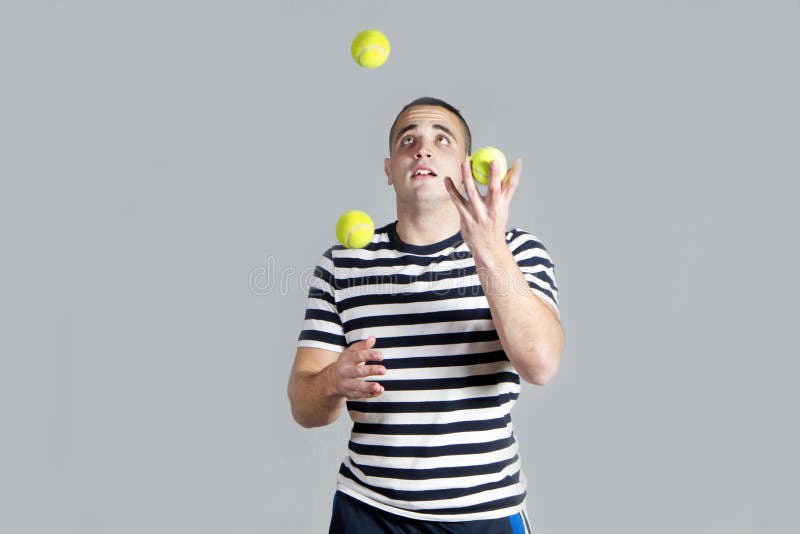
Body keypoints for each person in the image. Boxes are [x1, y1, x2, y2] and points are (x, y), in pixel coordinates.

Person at [288, 97, 564, 533]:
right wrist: (330, 382)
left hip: (483, 516)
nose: (422, 149)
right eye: (408, 140)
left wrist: (488, 247)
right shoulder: (342, 263)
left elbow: (541, 364)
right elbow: (304, 408)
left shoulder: (518, 252)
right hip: (368, 512)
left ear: (467, 165)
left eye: (441, 138)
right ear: (388, 169)